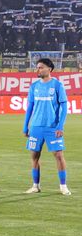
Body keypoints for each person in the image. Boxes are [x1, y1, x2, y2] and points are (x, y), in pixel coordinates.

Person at [23, 57, 71, 195]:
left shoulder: (57, 85)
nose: (37, 70)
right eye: (37, 67)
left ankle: (63, 186)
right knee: (34, 156)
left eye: (40, 67)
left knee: (58, 155)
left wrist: (60, 126)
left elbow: (64, 106)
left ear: (49, 69)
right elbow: (30, 107)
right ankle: (35, 185)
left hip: (52, 127)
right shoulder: (34, 86)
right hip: (36, 127)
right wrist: (26, 126)